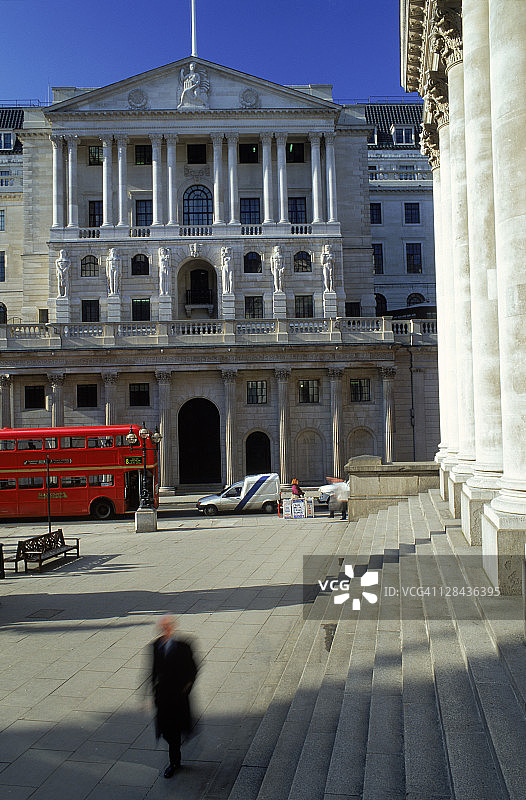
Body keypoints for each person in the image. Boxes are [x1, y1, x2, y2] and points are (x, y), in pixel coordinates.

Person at [151, 615, 198, 779]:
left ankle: (174, 762)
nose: (164, 630)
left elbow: (194, 668)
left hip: (178, 697)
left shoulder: (184, 646)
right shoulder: (156, 645)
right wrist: (149, 693)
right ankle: (176, 745)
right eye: (161, 628)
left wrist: (186, 687)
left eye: (166, 627)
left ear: (172, 627)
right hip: (162, 696)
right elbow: (152, 670)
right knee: (165, 732)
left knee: (174, 731)